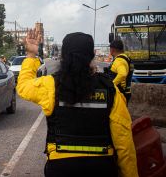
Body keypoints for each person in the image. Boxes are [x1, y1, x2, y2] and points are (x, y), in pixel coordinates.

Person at [17, 29, 138, 177]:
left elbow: (23, 86)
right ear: (92, 55)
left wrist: (31, 55)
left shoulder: (51, 85)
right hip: (102, 167)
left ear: (63, 56)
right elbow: (124, 143)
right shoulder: (110, 89)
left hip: (61, 168)